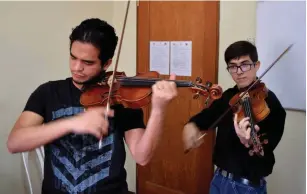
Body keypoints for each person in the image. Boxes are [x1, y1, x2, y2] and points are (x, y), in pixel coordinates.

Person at [7, 18, 178, 194]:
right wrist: (71, 123)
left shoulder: (121, 97)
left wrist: (159, 109)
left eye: (88, 62)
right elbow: (14, 143)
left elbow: (142, 157)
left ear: (107, 63)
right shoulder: (48, 92)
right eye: (73, 57)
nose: (76, 68)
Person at [182, 40, 286, 194]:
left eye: (245, 64)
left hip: (246, 187)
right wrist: (191, 125)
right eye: (232, 66)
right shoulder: (228, 97)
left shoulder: (271, 104)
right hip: (218, 179)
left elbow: (265, 151)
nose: (239, 71)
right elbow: (207, 116)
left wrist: (249, 141)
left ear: (256, 66)